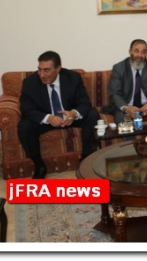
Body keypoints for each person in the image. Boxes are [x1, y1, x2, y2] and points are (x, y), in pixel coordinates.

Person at [17, 51, 98, 179]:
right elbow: (26, 109)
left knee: (92, 115)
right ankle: (39, 165)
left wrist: (73, 113)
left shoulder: (73, 78)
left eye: (46, 70)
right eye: (40, 70)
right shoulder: (30, 82)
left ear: (58, 69)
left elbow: (85, 103)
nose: (42, 75)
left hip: (68, 117)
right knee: (24, 126)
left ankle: (86, 158)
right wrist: (48, 118)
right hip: (46, 119)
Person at [104, 39, 147, 124]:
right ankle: (128, 133)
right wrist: (126, 108)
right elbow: (114, 94)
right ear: (130, 52)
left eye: (143, 52)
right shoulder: (119, 68)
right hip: (127, 105)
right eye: (136, 51)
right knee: (120, 115)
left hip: (146, 106)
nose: (139, 55)